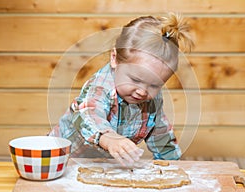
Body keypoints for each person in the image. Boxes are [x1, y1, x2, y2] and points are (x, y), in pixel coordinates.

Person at [48, 13, 194, 166]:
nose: (143, 91)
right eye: (136, 80)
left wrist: (173, 164)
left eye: (154, 85)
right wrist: (109, 139)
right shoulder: (100, 86)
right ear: (114, 59)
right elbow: (88, 114)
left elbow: (160, 134)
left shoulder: (150, 99)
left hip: (100, 166)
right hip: (62, 161)